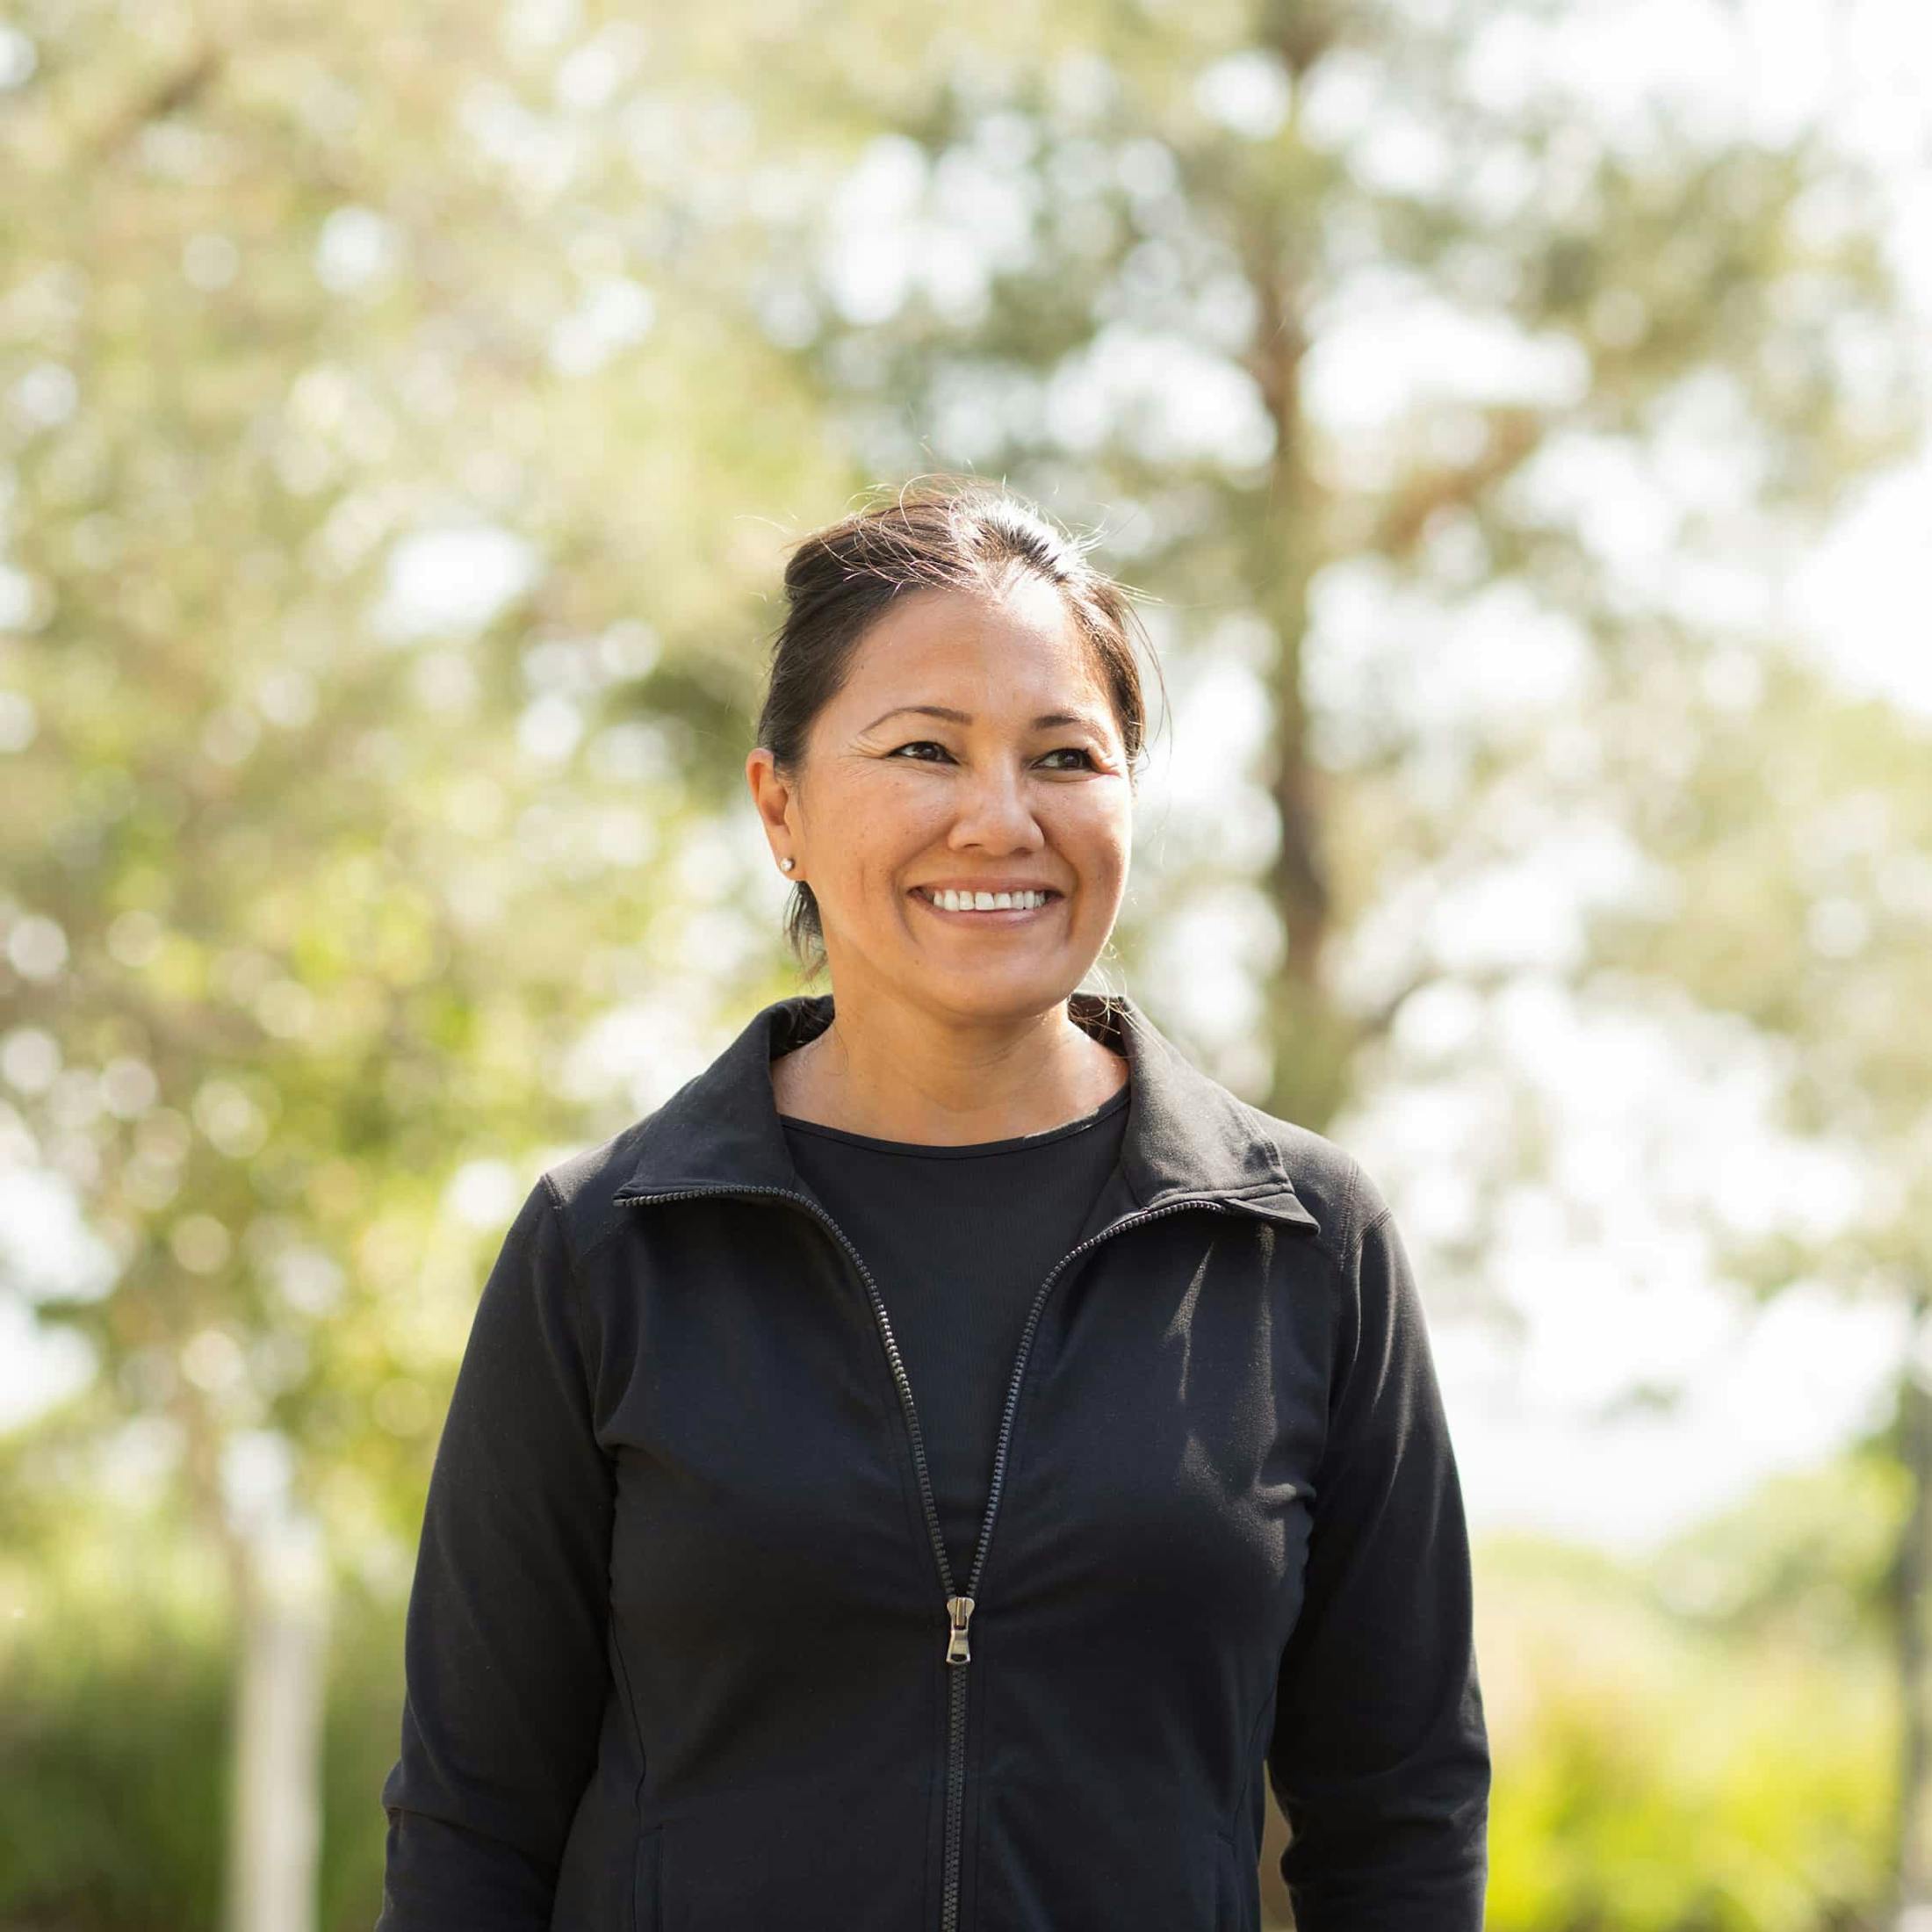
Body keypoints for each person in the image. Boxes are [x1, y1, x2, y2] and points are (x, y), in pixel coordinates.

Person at [375, 478, 1490, 1932]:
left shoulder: (1306, 1243)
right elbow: (470, 1823)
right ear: (780, 806)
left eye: (1064, 757)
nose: (998, 818)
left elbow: (1402, 1818)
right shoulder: (605, 1249)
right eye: (923, 750)